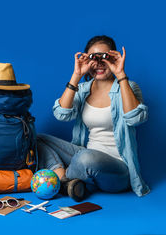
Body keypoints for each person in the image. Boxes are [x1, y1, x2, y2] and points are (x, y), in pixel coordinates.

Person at [37, 35, 150, 201]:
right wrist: (76, 75)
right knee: (38, 138)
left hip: (118, 169)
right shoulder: (83, 90)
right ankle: (65, 180)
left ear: (114, 57)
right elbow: (61, 114)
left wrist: (120, 75)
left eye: (105, 57)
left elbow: (135, 118)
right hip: (85, 154)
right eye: (92, 58)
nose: (98, 63)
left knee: (85, 158)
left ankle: (72, 178)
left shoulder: (128, 86)